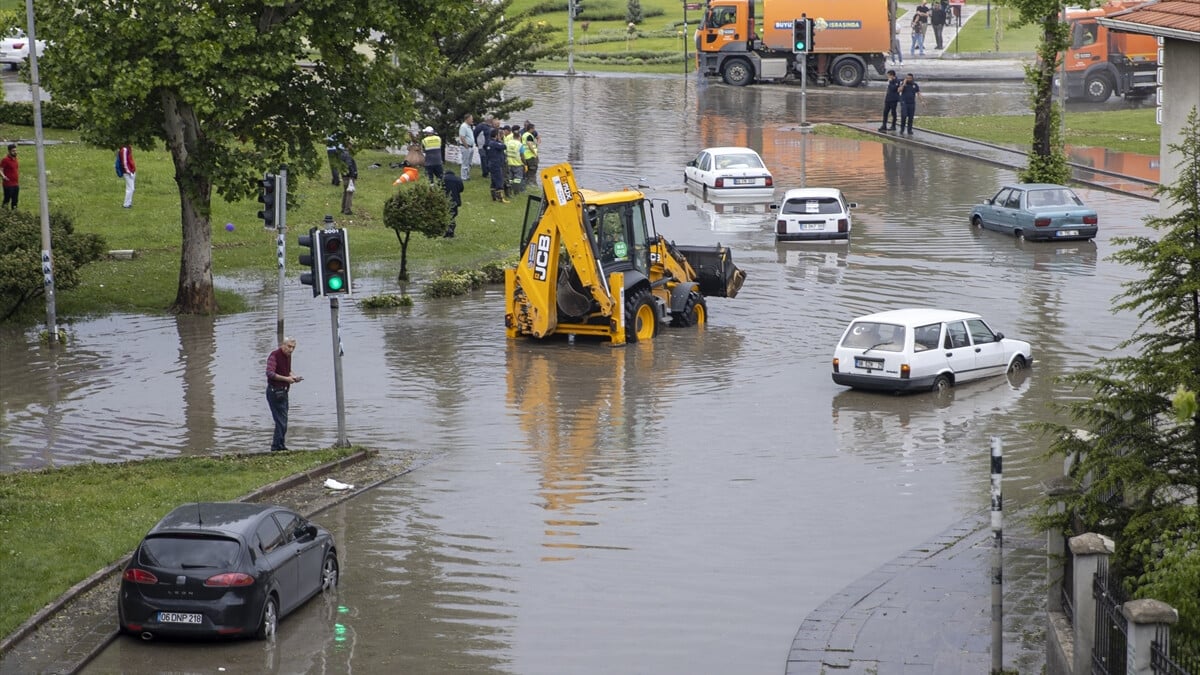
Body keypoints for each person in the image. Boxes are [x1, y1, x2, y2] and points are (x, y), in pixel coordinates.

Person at [265, 337, 302, 452]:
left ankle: (280, 445)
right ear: (283, 345)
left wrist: (293, 376)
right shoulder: (274, 355)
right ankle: (276, 447)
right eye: (289, 346)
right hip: (274, 392)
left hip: (284, 391)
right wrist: (286, 379)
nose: (291, 350)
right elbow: (269, 373)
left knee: (283, 421)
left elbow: (287, 370)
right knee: (281, 421)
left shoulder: (288, 356)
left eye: (293, 348)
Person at [485, 129, 508, 202]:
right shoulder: (495, 143)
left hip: (491, 163)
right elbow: (504, 146)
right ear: (496, 135)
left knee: (493, 180)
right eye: (499, 134)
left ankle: (494, 197)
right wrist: (500, 140)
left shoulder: (489, 143)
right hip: (496, 164)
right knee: (499, 180)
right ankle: (500, 198)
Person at [441, 173, 464, 238]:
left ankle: (448, 230)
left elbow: (439, 187)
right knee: (453, 215)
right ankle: (451, 230)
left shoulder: (443, 178)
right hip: (455, 201)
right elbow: (461, 189)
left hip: (445, 200)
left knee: (446, 215)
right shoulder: (458, 179)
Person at [505, 125, 524, 195]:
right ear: (519, 137)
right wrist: (524, 163)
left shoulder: (507, 143)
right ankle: (516, 192)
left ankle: (509, 191)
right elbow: (522, 155)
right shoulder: (520, 145)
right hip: (517, 164)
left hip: (509, 163)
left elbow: (505, 152)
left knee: (509, 178)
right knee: (517, 179)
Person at [339, 143, 358, 216]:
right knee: (349, 193)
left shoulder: (341, 154)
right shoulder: (348, 155)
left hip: (344, 175)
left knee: (345, 192)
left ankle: (343, 208)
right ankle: (347, 209)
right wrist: (353, 175)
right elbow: (349, 165)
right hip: (349, 176)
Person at [520, 122, 539, 189]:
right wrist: (535, 153)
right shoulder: (529, 135)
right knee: (532, 171)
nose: (534, 130)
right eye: (533, 129)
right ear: (531, 129)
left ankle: (526, 185)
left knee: (527, 172)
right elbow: (530, 145)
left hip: (525, 156)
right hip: (530, 157)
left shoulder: (524, 135)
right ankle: (532, 186)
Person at [117, 144, 136, 208]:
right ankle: (126, 204)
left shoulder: (127, 148)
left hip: (130, 171)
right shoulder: (124, 149)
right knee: (131, 188)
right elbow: (124, 162)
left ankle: (128, 203)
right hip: (128, 172)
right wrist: (129, 172)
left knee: (130, 188)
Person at [475, 115, 493, 179]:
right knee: (483, 158)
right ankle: (485, 173)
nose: (491, 121)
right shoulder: (480, 126)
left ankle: (489, 171)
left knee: (489, 159)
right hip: (482, 146)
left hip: (489, 146)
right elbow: (475, 134)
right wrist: (476, 143)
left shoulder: (490, 126)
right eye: (491, 119)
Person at [458, 114, 475, 181]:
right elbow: (462, 137)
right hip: (466, 147)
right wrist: (466, 145)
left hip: (471, 146)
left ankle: (467, 175)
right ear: (467, 119)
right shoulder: (463, 126)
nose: (472, 120)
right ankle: (463, 177)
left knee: (469, 162)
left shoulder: (469, 126)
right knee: (465, 162)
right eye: (471, 118)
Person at [1, 144, 18, 209]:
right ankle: (3, 212)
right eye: (13, 151)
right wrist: (4, 176)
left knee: (15, 200)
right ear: (9, 151)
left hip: (15, 183)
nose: (15, 152)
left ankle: (14, 213)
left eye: (16, 150)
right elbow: (0, 169)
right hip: (8, 184)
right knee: (7, 199)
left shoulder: (15, 159)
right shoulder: (5, 160)